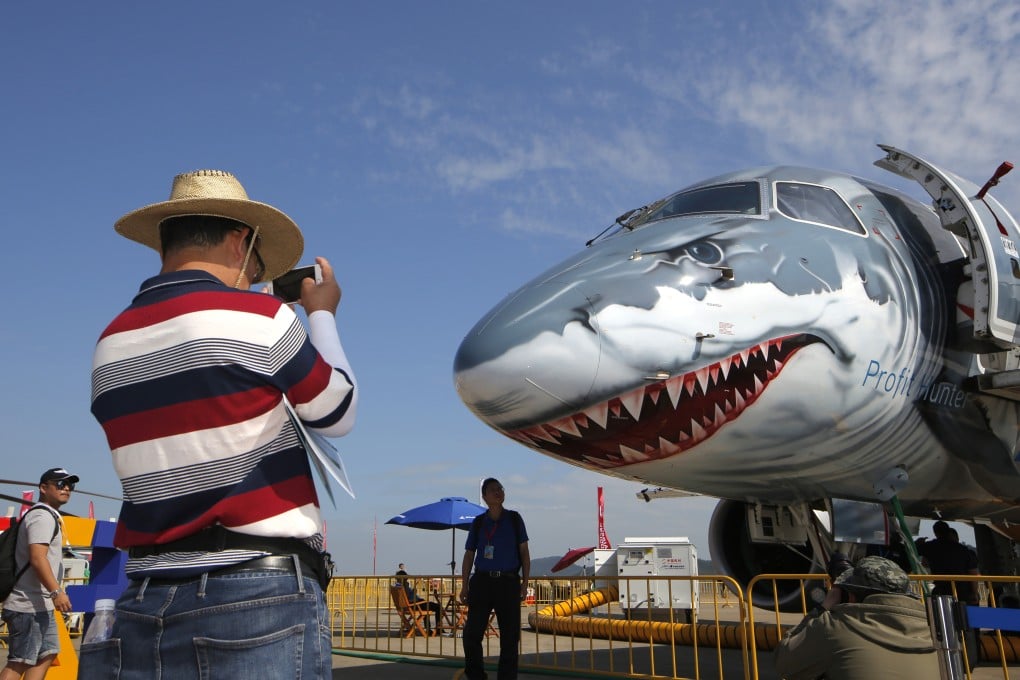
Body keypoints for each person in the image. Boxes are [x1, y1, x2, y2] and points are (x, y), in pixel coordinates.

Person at [83, 170, 357, 679]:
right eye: (257, 261)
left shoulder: (109, 341)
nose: (256, 274)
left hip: (143, 597)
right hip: (254, 591)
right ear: (238, 241)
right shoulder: (262, 318)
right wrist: (322, 317)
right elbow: (337, 410)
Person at [774, 556, 938, 679]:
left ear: (852, 596)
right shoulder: (935, 633)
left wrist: (823, 608)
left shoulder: (835, 627)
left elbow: (784, 662)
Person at [0, 468, 76, 680]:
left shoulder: (49, 515)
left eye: (70, 485)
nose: (67, 489)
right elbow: (37, 558)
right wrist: (56, 592)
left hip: (41, 604)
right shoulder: (42, 516)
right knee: (19, 661)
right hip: (27, 604)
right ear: (43, 488)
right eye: (60, 484)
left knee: (47, 653)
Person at [459, 478, 531, 680]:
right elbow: (468, 554)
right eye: (492, 489)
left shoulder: (515, 519)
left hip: (508, 583)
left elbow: (524, 553)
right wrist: (464, 585)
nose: (498, 491)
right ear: (484, 496)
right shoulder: (479, 522)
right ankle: (475, 675)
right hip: (482, 582)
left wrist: (524, 583)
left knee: (509, 638)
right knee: (471, 634)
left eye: (500, 488)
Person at [918, 520, 980, 604]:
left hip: (942, 590)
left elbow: (917, 552)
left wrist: (920, 542)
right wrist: (975, 593)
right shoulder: (964, 550)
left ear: (935, 533)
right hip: (963, 591)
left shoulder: (931, 547)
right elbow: (973, 573)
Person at [395, 563, 442, 632]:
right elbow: (409, 597)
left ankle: (429, 629)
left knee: (426, 606)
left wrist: (413, 592)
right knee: (438, 607)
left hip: (407, 606)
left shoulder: (397, 586)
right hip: (414, 605)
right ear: (405, 578)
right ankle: (438, 629)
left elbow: (407, 596)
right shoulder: (404, 585)